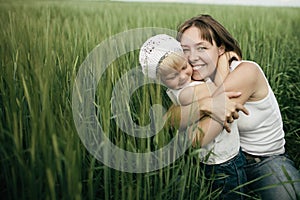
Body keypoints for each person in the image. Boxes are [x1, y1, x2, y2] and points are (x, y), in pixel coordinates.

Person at [174, 14, 300, 199]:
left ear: (220, 48)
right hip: (223, 163)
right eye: (185, 49)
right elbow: (171, 118)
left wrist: (198, 107)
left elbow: (197, 138)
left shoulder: (247, 71)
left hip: (263, 160)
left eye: (202, 48)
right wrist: (206, 105)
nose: (192, 57)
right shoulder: (191, 77)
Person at [139, 34, 248, 199]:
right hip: (223, 160)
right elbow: (221, 86)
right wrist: (224, 59)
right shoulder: (185, 93)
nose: (183, 77)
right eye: (172, 76)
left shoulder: (187, 86)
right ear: (160, 80)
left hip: (212, 157)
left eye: (184, 67)